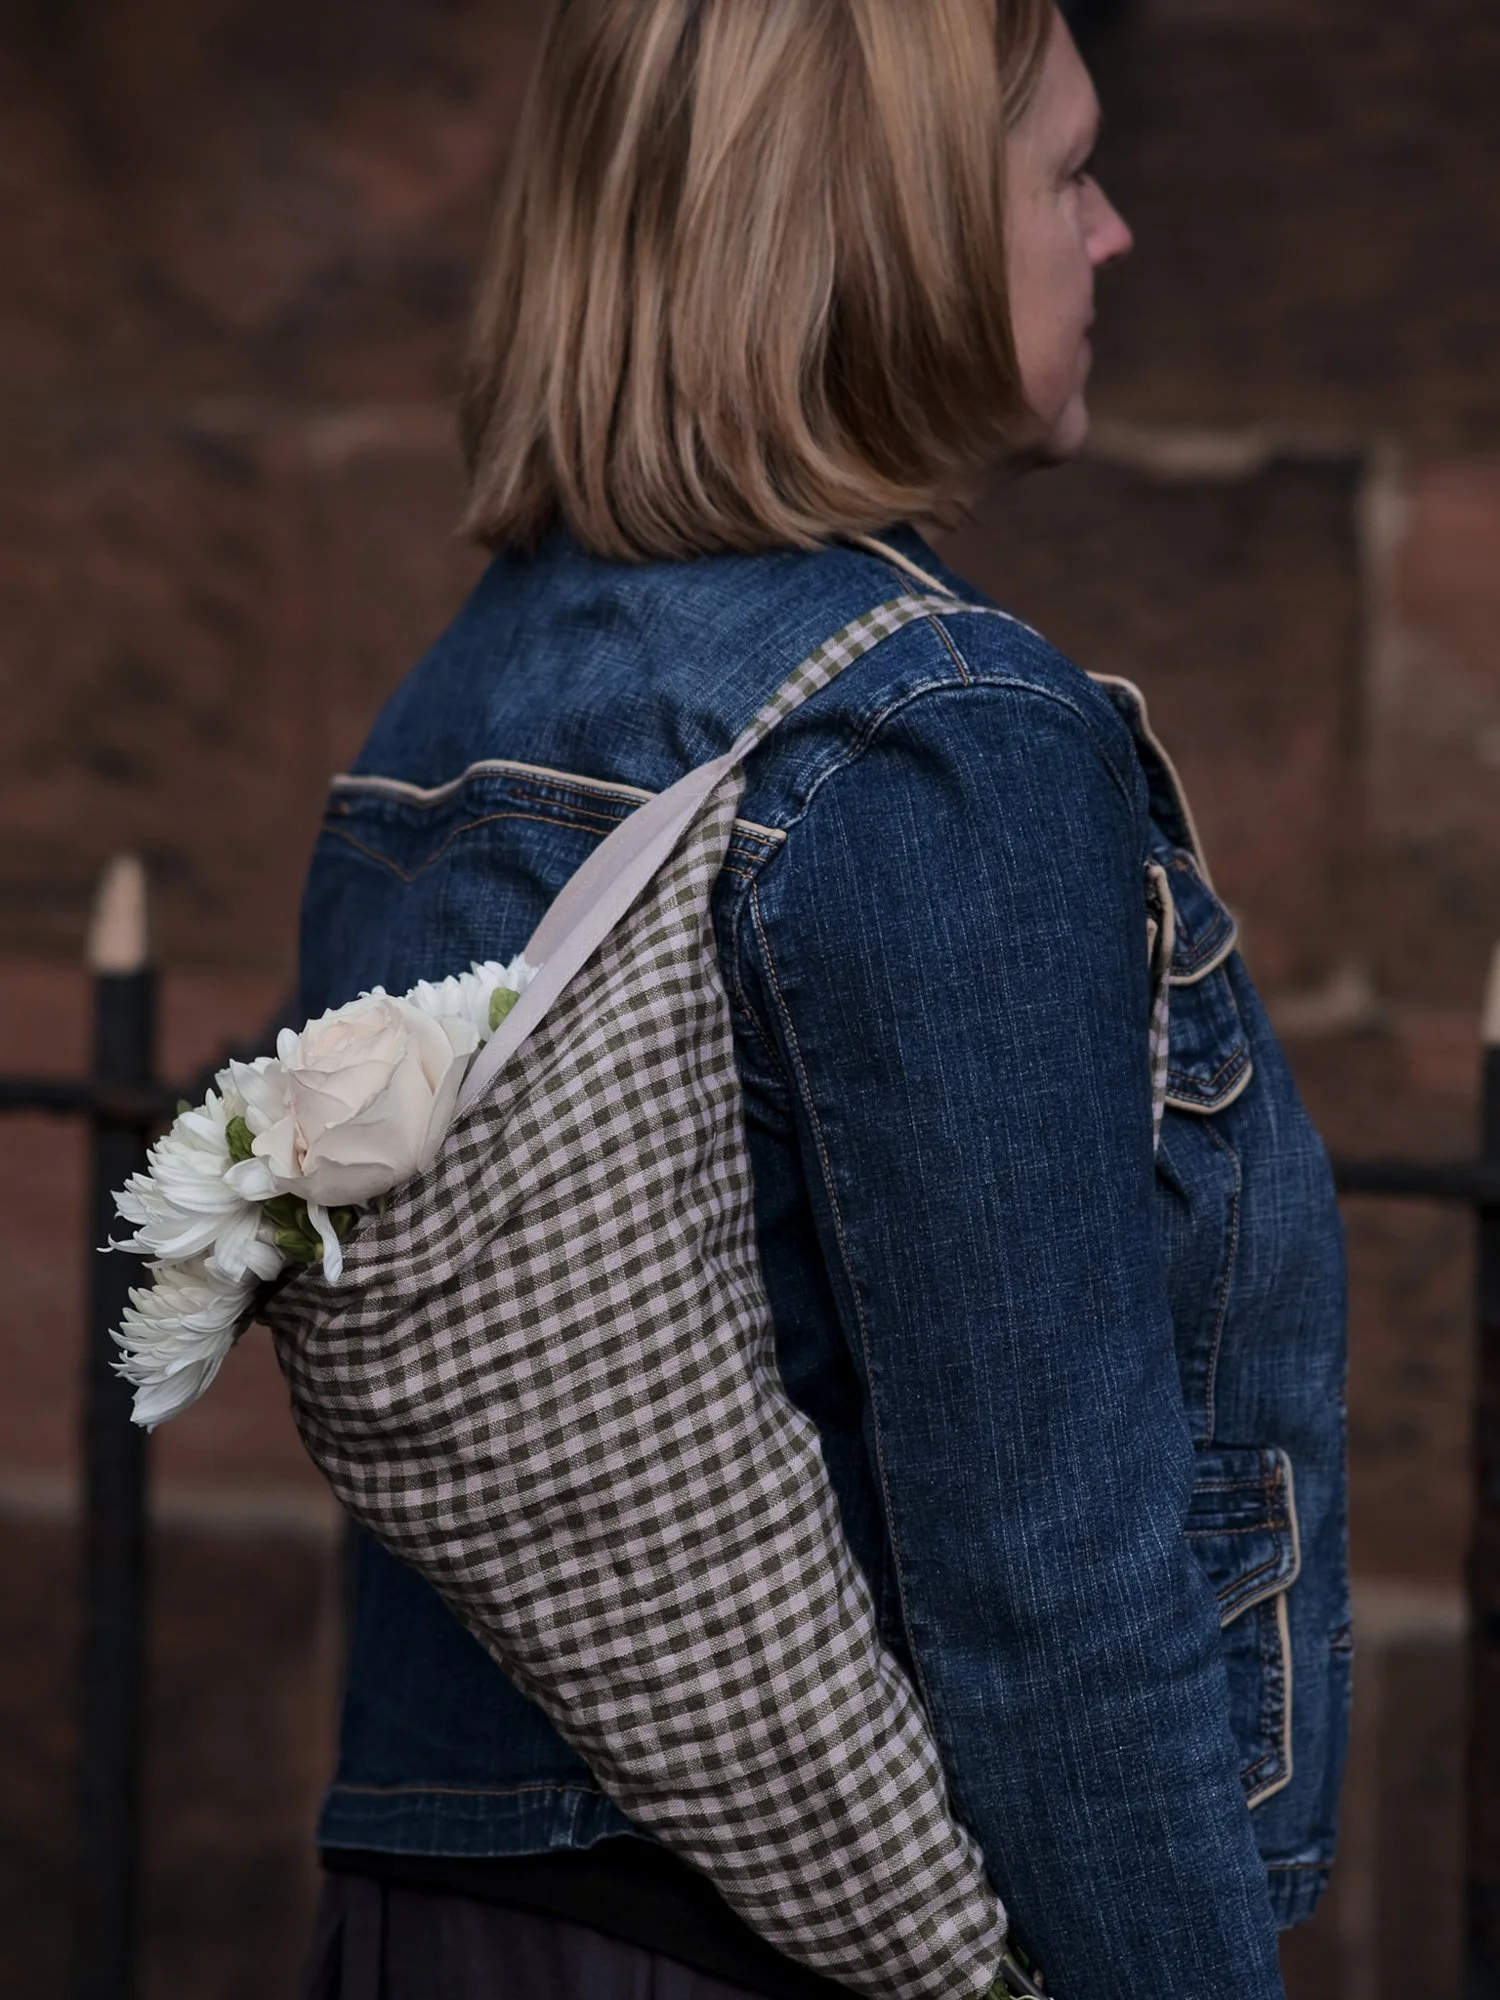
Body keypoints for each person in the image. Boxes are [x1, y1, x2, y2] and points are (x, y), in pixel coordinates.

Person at [295, 2, 1349, 1996]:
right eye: (1064, 174)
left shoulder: (454, 715)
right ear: (895, 236)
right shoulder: (929, 732)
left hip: (430, 1911)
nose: (1114, 233)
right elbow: (1053, 1592)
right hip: (784, 1950)